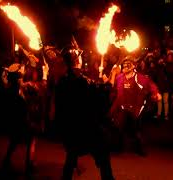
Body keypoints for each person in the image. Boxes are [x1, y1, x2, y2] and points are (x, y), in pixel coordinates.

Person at [55, 47, 114, 180]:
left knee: (71, 156)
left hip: (69, 128)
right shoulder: (83, 81)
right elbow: (100, 99)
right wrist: (107, 84)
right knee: (103, 151)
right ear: (76, 61)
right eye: (79, 57)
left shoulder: (62, 81)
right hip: (85, 128)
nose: (81, 59)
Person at [110, 56, 161, 156]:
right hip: (122, 108)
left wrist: (156, 93)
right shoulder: (119, 77)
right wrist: (111, 76)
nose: (125, 66)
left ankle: (140, 149)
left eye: (128, 63)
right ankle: (118, 147)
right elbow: (113, 89)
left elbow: (151, 85)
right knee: (118, 128)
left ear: (133, 66)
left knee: (137, 131)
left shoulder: (141, 78)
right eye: (124, 64)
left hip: (135, 109)